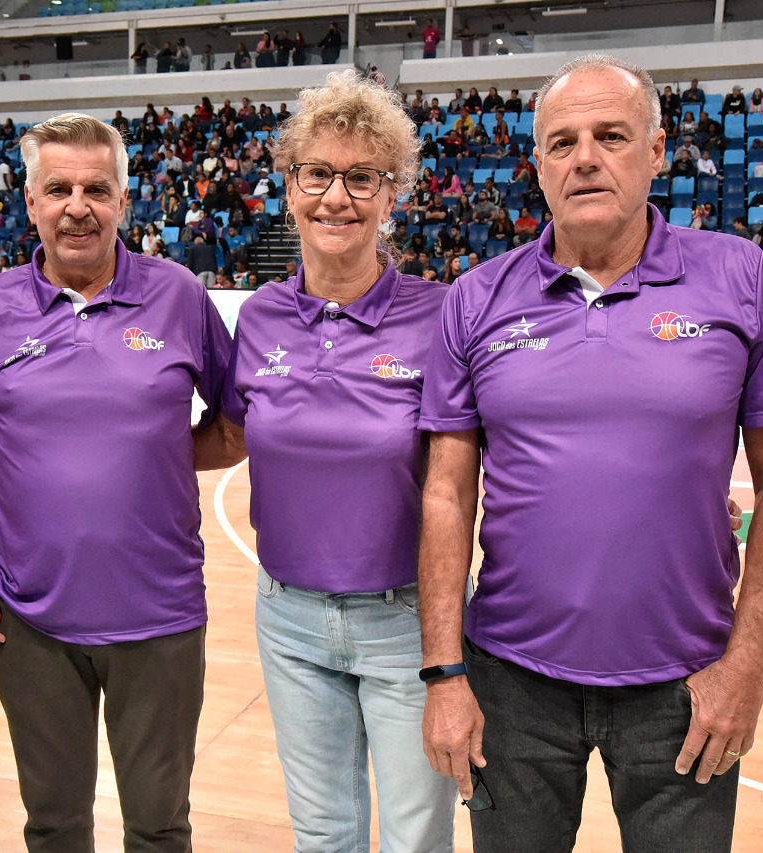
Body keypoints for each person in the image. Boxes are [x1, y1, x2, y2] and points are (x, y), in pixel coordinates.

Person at [418, 53, 763, 853]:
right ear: (536, 164)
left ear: (658, 150)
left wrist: (747, 666)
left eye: (611, 135)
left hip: (687, 684)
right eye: (562, 143)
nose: (586, 158)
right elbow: (446, 494)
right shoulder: (477, 296)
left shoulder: (739, 276)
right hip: (510, 681)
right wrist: (445, 674)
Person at [0, 113, 233, 853]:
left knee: (160, 826)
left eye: (97, 189)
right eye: (60, 189)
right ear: (32, 202)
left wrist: (155, 455)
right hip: (32, 618)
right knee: (53, 826)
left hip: (160, 616)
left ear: (124, 202)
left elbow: (236, 424)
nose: (79, 206)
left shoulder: (179, 296)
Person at [200, 69, 458, 853]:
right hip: (288, 617)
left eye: (361, 178)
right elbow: (235, 432)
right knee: (322, 834)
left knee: (416, 837)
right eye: (318, 174)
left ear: (393, 194)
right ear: (289, 186)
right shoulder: (264, 313)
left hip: (409, 621)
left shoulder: (440, 313)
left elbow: (512, 443)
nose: (336, 197)